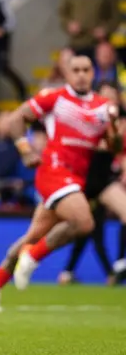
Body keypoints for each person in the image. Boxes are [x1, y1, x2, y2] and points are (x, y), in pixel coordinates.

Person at [0, 55, 119, 312]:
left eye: (86, 70)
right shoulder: (55, 97)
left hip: (75, 180)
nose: (81, 75)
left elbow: (113, 148)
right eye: (75, 70)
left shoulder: (102, 107)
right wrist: (25, 149)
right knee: (84, 222)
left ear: (93, 73)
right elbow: (18, 118)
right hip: (53, 171)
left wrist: (115, 127)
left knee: (33, 235)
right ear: (67, 73)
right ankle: (33, 257)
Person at [59, 81, 126, 285]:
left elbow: (119, 152)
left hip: (105, 181)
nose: (109, 100)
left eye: (113, 96)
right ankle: (67, 271)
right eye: (105, 96)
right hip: (84, 182)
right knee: (85, 228)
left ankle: (120, 263)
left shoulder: (120, 123)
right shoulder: (87, 120)